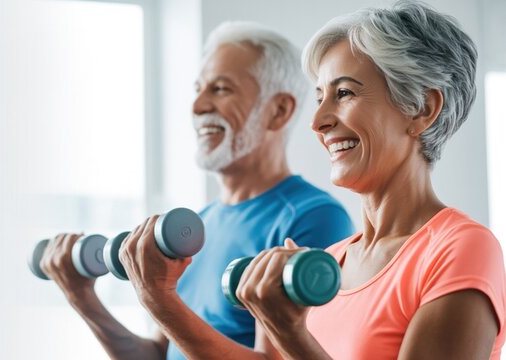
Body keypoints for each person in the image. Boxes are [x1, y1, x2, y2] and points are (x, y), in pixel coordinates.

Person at [41, 21, 354, 360]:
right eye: (198, 90)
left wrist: (159, 299)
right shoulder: (200, 224)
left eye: (220, 89)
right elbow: (161, 354)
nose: (198, 106)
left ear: (278, 110)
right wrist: (83, 299)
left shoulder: (315, 218)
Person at [234, 2, 506, 359]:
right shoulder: (328, 262)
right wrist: (269, 327)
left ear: (422, 109)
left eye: (344, 93)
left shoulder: (460, 249)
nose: (317, 121)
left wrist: (290, 332)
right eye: (319, 98)